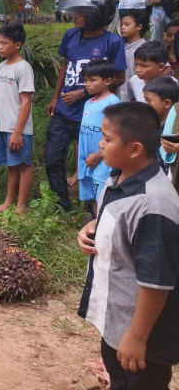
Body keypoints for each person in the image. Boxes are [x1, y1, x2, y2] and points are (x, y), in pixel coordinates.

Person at [77, 102, 179, 390]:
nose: (100, 144)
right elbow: (113, 218)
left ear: (134, 149)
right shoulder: (119, 176)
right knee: (119, 379)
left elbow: (156, 282)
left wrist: (136, 336)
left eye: (108, 139)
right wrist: (89, 228)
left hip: (145, 334)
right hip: (118, 319)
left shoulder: (153, 205)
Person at [47, 0, 126, 211]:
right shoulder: (71, 35)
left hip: (93, 114)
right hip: (64, 111)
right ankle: (61, 202)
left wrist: (83, 93)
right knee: (53, 157)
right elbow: (65, 65)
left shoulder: (113, 42)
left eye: (80, 13)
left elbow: (119, 77)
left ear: (95, 16)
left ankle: (95, 207)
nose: (75, 17)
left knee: (97, 160)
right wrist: (56, 96)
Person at [0, 24, 35, 214]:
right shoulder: (1, 67)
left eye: (4, 43)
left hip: (18, 129)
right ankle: (8, 202)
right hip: (3, 126)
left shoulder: (23, 68)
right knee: (11, 166)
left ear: (17, 45)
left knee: (23, 165)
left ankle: (21, 206)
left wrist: (17, 131)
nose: (0, 47)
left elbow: (26, 102)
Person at [77, 59, 120, 216]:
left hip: (102, 159)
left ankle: (103, 227)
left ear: (107, 81)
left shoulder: (112, 102)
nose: (87, 84)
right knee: (92, 196)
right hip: (87, 160)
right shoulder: (88, 102)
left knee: (102, 192)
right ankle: (97, 224)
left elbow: (114, 134)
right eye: (86, 80)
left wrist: (98, 155)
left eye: (92, 80)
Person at [143, 77, 179, 179]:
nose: (146, 105)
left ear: (167, 103)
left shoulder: (173, 128)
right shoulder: (147, 124)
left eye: (149, 101)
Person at [116, 11, 148, 102]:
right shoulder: (119, 46)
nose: (122, 27)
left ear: (139, 26)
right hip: (119, 96)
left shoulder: (145, 47)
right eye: (121, 25)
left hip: (137, 97)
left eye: (127, 24)